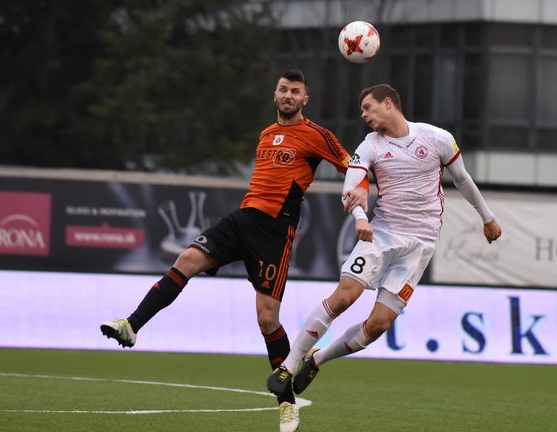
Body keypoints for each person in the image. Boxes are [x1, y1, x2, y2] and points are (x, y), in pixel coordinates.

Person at [100, 69, 367, 432]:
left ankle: (287, 405)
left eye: (296, 91)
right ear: (275, 95)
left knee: (267, 319)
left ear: (306, 99)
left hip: (274, 232)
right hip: (241, 219)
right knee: (187, 260)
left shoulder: (316, 134)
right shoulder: (267, 133)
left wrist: (362, 197)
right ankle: (131, 326)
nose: (288, 95)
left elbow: (354, 166)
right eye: (283, 89)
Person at [267, 83, 502, 397]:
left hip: (420, 244)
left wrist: (487, 218)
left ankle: (318, 358)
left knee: (378, 326)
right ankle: (289, 365)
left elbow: (463, 180)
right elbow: (352, 184)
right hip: (380, 235)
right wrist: (361, 219)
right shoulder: (370, 145)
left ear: (388, 103)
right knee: (344, 297)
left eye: (368, 107)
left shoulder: (437, 139)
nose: (364, 115)